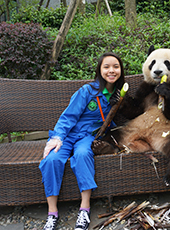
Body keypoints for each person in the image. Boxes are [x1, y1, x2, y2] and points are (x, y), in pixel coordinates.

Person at [39, 52, 125, 230]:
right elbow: (68, 116)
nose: (111, 70)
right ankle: (52, 213)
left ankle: (84, 209)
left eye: (116, 67)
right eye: (106, 66)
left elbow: (112, 122)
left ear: (121, 71)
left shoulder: (119, 95)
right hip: (68, 135)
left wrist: (120, 105)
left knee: (83, 154)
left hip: (87, 138)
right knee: (51, 160)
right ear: (99, 70)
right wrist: (57, 137)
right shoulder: (87, 91)